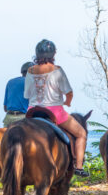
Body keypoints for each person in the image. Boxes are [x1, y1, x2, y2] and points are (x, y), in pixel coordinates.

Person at [24, 39, 89, 177]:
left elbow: (27, 94)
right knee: (81, 133)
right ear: (53, 53)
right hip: (55, 111)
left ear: (37, 54)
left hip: (32, 111)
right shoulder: (57, 70)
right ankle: (78, 166)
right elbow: (69, 92)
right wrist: (67, 102)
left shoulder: (30, 70)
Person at [2, 61, 33, 127]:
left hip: (9, 118)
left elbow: (5, 108)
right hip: (22, 118)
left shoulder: (10, 82)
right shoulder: (31, 82)